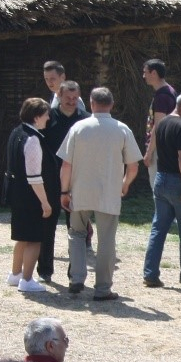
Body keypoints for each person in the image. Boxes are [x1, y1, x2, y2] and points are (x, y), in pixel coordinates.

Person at [58, 87, 141, 301]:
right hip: (109, 192)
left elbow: (66, 165)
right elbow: (133, 167)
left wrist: (64, 191)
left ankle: (76, 278)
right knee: (106, 240)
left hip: (80, 191)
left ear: (91, 103)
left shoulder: (78, 127)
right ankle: (103, 288)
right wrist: (125, 184)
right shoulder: (122, 129)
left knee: (76, 234)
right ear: (111, 104)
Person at [144, 92, 181, 288]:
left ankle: (150, 273)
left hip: (161, 179)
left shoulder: (162, 123)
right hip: (178, 181)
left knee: (158, 228)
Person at [37, 82, 90, 284]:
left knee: (76, 229)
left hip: (77, 179)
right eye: (68, 97)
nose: (71, 101)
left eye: (75, 98)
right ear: (59, 95)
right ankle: (45, 271)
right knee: (47, 224)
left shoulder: (85, 120)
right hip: (50, 177)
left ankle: (75, 274)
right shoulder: (48, 118)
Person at [4, 98, 54, 294]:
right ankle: (27, 279)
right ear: (36, 117)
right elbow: (34, 176)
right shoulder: (33, 140)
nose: (48, 118)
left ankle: (15, 274)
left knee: (21, 236)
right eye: (45, 114)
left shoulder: (16, 132)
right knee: (34, 239)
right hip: (30, 195)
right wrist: (45, 202)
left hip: (16, 193)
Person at [141, 59, 177, 177]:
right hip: (168, 147)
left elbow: (159, 126)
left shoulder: (162, 96)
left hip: (159, 149)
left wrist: (149, 152)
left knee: (156, 186)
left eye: (145, 72)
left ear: (154, 73)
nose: (144, 76)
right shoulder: (170, 91)